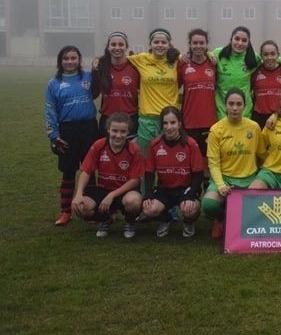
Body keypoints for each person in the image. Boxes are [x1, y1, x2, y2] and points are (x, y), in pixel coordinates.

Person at [45, 45, 98, 226]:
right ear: (60, 61)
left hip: (89, 128)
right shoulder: (54, 84)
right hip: (67, 130)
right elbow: (50, 110)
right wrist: (53, 134)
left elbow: (102, 84)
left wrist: (98, 65)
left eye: (73, 58)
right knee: (68, 172)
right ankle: (66, 212)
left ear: (79, 59)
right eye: (66, 58)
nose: (70, 61)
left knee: (89, 170)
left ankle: (91, 211)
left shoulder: (88, 77)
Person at [202, 88, 264, 238]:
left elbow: (262, 155)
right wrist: (221, 184)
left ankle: (238, 221)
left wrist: (261, 177)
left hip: (248, 179)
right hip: (225, 179)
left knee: (262, 202)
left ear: (245, 106)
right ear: (225, 106)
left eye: (238, 104)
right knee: (208, 205)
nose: (235, 108)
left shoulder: (254, 127)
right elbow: (214, 163)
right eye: (231, 104)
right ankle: (222, 219)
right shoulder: (216, 130)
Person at [70, 112, 143, 238]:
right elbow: (86, 171)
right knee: (82, 208)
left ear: (128, 132)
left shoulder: (134, 149)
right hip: (103, 190)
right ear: (108, 129)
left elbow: (135, 180)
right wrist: (78, 194)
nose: (118, 135)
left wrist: (112, 195)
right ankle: (105, 220)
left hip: (124, 192)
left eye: (123, 132)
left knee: (134, 201)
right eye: (114, 131)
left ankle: (130, 222)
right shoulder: (99, 145)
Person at [142, 106, 205, 238]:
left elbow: (199, 173)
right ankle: (166, 219)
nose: (169, 127)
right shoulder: (155, 145)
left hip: (185, 189)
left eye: (173, 123)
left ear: (179, 124)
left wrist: (191, 195)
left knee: (190, 209)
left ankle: (188, 222)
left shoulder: (190, 144)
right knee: (148, 209)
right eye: (165, 123)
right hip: (164, 190)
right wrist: (148, 194)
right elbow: (149, 173)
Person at [127, 28, 180, 157]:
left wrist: (211, 56)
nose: (160, 45)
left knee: (169, 158)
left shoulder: (177, 60)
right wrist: (98, 60)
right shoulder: (141, 59)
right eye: (156, 42)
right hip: (147, 119)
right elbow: (118, 57)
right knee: (145, 159)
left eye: (163, 42)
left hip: (170, 118)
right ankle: (145, 178)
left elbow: (196, 56)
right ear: (150, 44)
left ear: (169, 44)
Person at [178, 29, 217, 158]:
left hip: (210, 121)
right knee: (191, 159)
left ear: (207, 44)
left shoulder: (214, 64)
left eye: (202, 43)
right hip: (189, 122)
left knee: (208, 159)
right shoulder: (182, 64)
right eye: (195, 43)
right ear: (190, 44)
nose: (198, 46)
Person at [92, 31, 139, 137]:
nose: (117, 48)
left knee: (129, 152)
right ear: (108, 47)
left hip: (130, 118)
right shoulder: (101, 67)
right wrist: (94, 71)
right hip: (107, 119)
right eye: (113, 44)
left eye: (121, 44)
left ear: (126, 47)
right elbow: (94, 94)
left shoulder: (136, 67)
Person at [211, 26, 260, 120]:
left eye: (244, 40)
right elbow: (203, 55)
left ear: (248, 43)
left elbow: (270, 59)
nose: (240, 43)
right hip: (222, 111)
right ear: (231, 39)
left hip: (244, 112)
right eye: (237, 39)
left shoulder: (253, 58)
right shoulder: (218, 53)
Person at [251, 40, 281, 129]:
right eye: (266, 54)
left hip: (280, 116)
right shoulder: (255, 71)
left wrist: (278, 113)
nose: (269, 57)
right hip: (259, 117)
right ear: (261, 56)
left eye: (272, 54)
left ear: (278, 54)